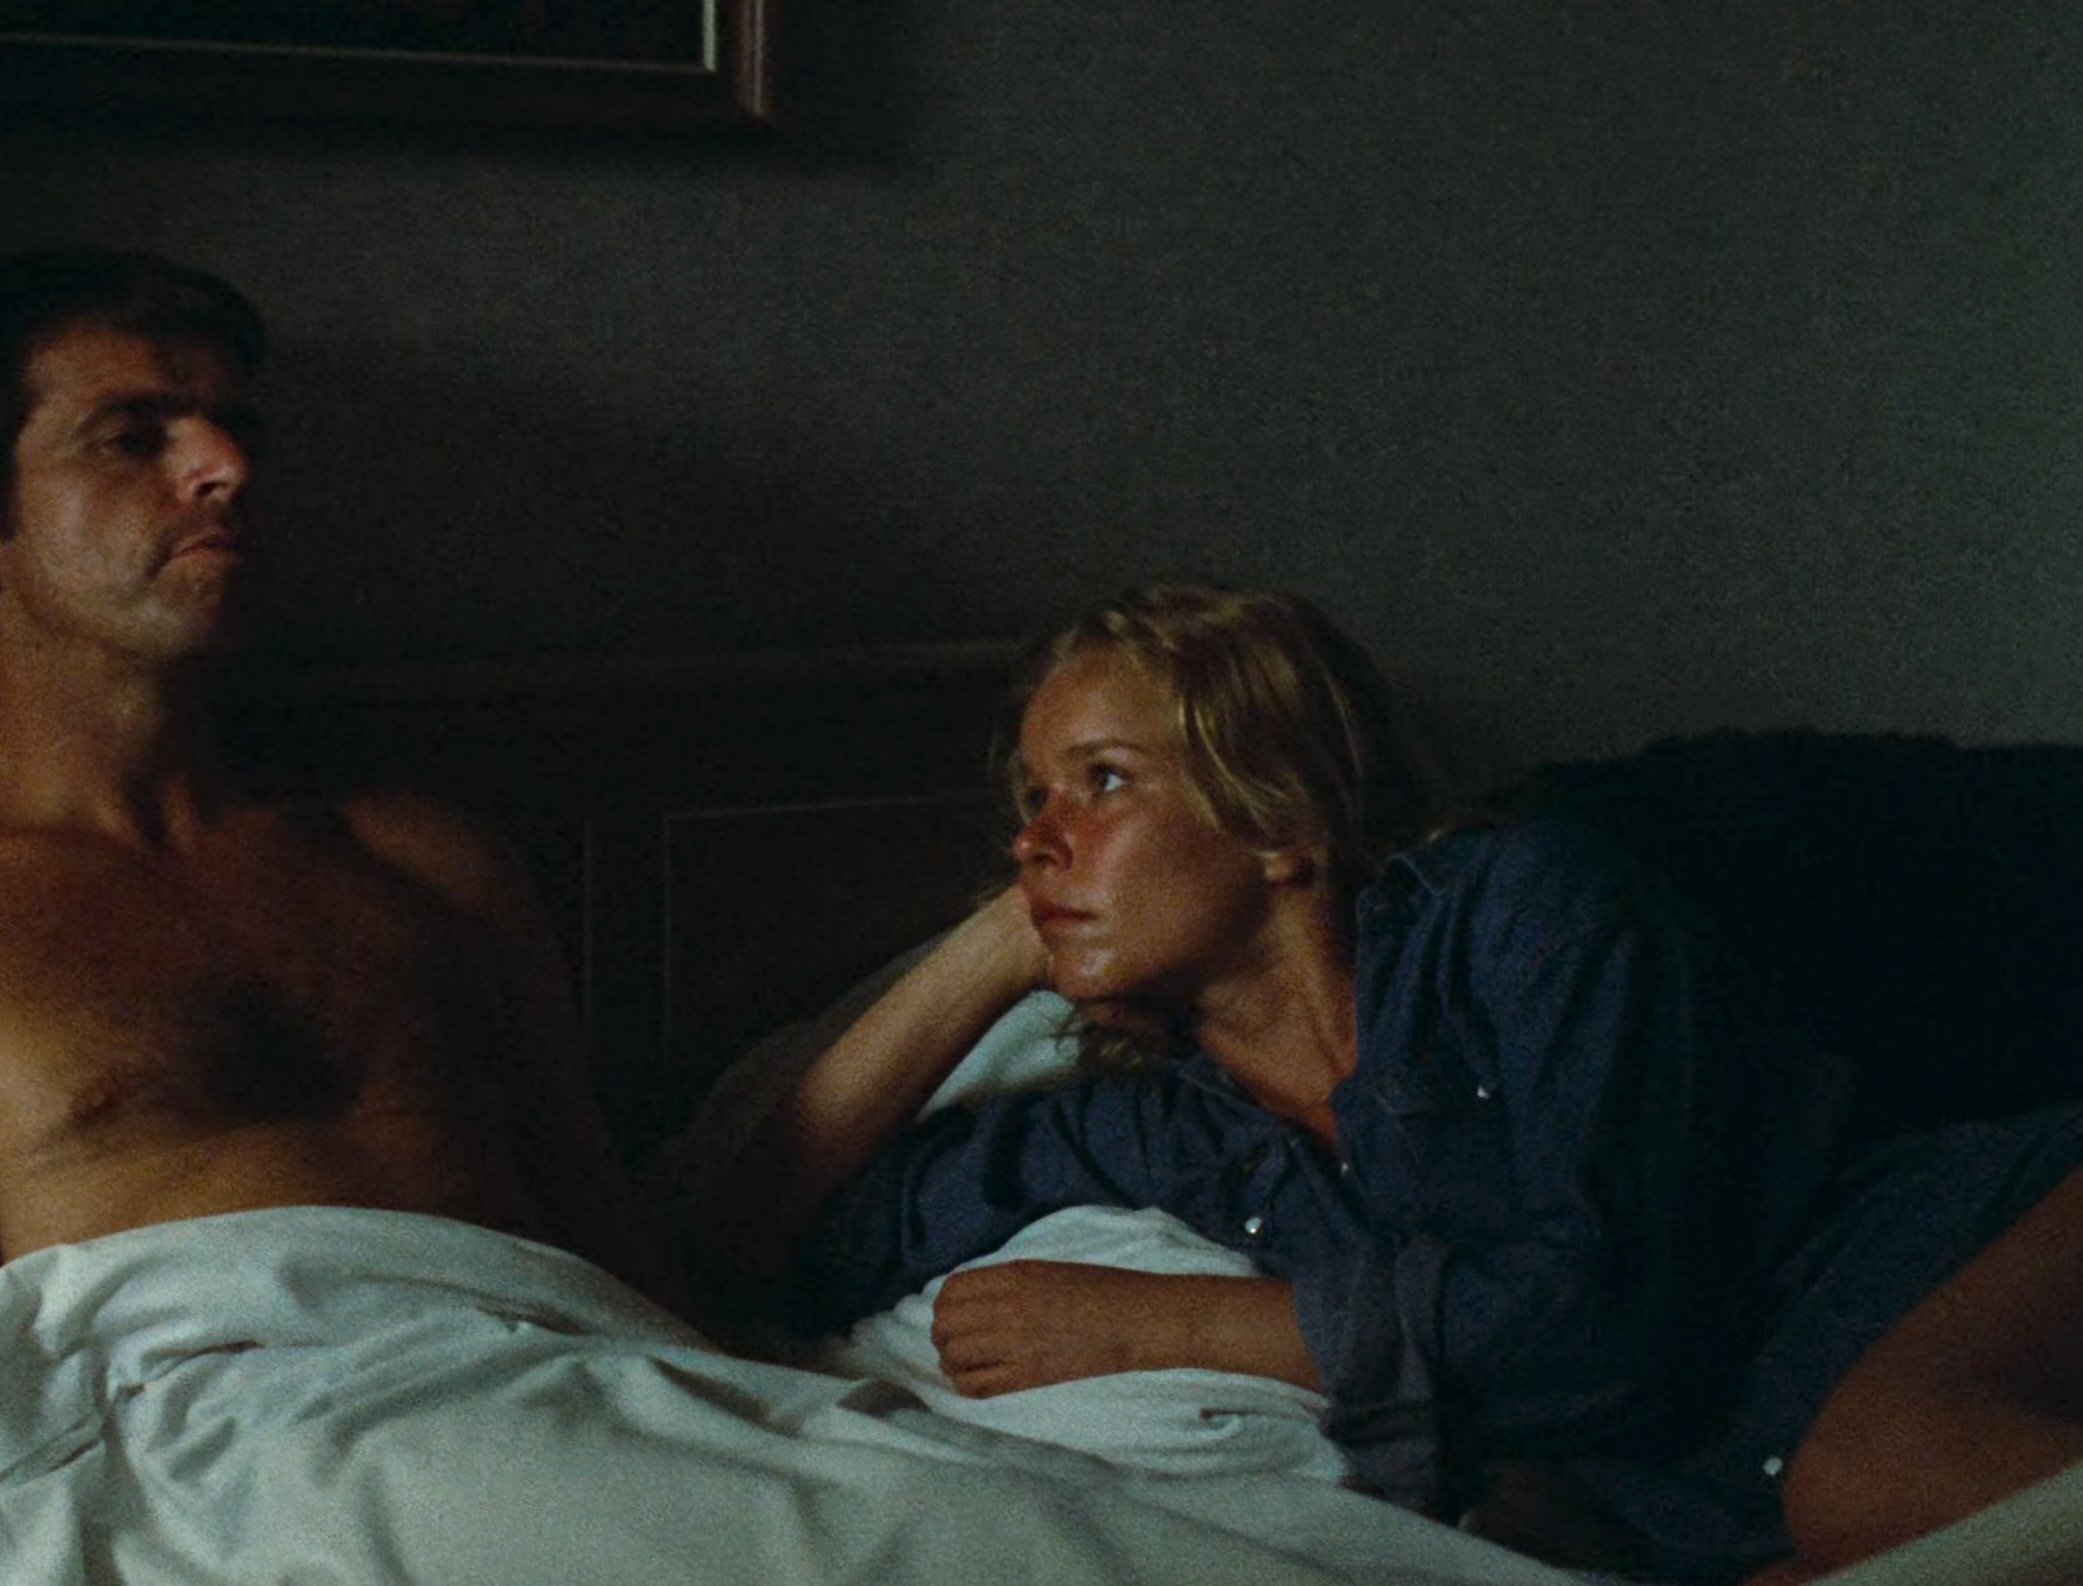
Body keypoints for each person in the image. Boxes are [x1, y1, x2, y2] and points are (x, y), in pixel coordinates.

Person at [685, 582, 2083, 1583]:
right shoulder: (1161, 1125)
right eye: (1028, 801)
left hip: (1989, 1230)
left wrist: (1169, 1326)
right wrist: (993, 950)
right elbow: (741, 1247)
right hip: (1758, 1486)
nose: (1035, 839)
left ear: (1279, 820)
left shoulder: (1524, 909)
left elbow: (1601, 1320)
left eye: (1099, 782)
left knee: (1873, 1474)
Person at [0, 248, 681, 1449]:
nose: (225, 467)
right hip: (216, 1477)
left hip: (580, 1415)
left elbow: (632, 1281)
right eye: (129, 438)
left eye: (237, 430)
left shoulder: (431, 865)